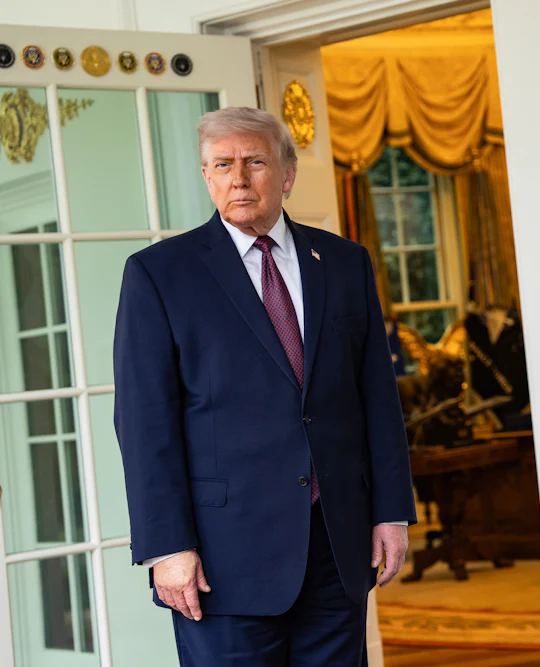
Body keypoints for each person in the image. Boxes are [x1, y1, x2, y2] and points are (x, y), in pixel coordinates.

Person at [113, 106, 417, 666]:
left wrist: (391, 511)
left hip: (335, 545)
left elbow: (376, 396)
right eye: (221, 164)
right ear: (206, 175)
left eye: (254, 161)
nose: (238, 178)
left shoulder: (346, 263)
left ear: (287, 173)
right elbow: (144, 424)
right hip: (222, 558)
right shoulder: (158, 274)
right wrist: (166, 546)